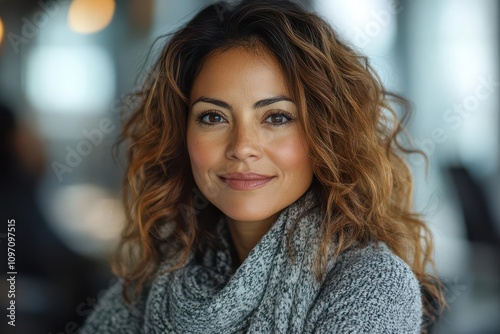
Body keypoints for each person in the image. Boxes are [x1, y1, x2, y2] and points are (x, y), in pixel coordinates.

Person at [81, 0, 447, 333]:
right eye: (212, 117)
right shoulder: (156, 281)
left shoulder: (373, 284)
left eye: (276, 117)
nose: (242, 148)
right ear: (182, 134)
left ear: (326, 134)